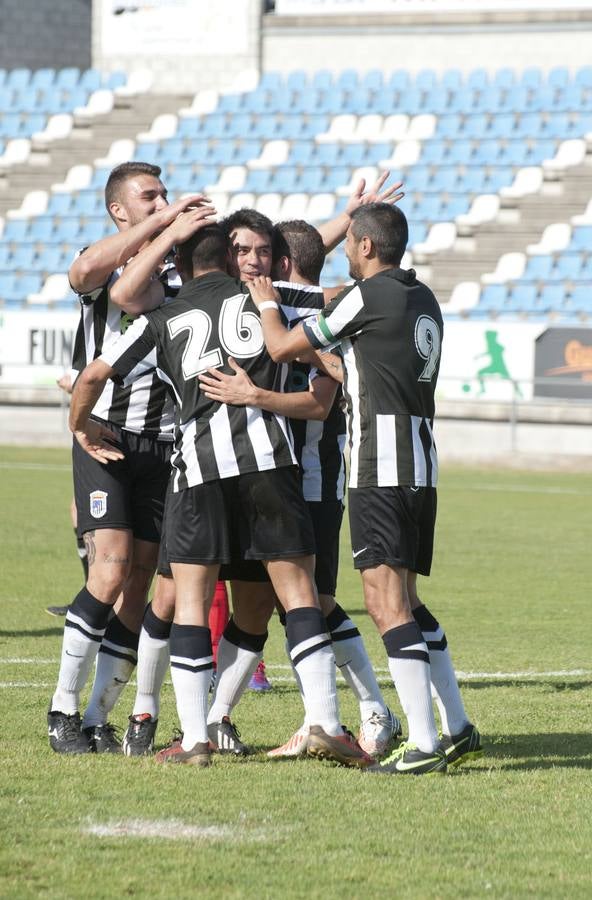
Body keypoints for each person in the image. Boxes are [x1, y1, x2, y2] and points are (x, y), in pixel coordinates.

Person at [68, 221, 374, 769]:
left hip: (197, 474)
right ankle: (327, 722)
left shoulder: (164, 314)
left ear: (181, 267)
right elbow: (333, 343)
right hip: (271, 464)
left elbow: (92, 375)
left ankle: (195, 740)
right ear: (231, 262)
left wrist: (82, 425)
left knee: (189, 601)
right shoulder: (270, 300)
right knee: (298, 594)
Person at [245, 203, 483, 775]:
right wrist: (333, 357)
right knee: (410, 602)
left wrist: (265, 303)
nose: (344, 251)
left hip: (380, 463)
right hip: (421, 461)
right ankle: (457, 727)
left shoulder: (368, 295)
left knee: (382, 602)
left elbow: (280, 347)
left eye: (349, 242)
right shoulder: (420, 297)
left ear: (367, 247)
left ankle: (424, 743)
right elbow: (359, 366)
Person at [200, 219, 401, 759]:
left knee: (313, 601)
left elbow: (320, 394)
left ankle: (370, 713)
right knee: (256, 606)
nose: (254, 264)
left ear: (282, 264)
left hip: (312, 476)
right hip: (273, 478)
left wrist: (254, 394)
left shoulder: (312, 311)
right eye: (244, 252)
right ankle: (216, 718)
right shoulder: (278, 302)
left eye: (266, 254)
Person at [47, 160, 214, 754]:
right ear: (120, 210)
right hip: (105, 436)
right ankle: (61, 709)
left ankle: (98, 717)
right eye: (150, 196)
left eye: (166, 194)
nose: (162, 201)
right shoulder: (105, 263)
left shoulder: (175, 275)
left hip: (164, 443)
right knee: (110, 569)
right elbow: (88, 272)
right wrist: (166, 225)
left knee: (139, 584)